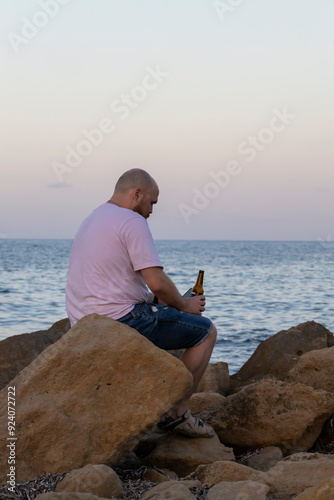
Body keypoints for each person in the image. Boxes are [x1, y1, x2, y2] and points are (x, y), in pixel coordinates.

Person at [66, 168, 217, 437]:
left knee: (166, 310)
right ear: (137, 195)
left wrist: (164, 302)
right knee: (205, 331)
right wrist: (184, 305)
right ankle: (177, 414)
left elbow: (116, 284)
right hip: (120, 319)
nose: (151, 210)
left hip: (84, 322)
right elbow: (156, 281)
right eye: (152, 202)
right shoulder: (132, 220)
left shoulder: (93, 218)